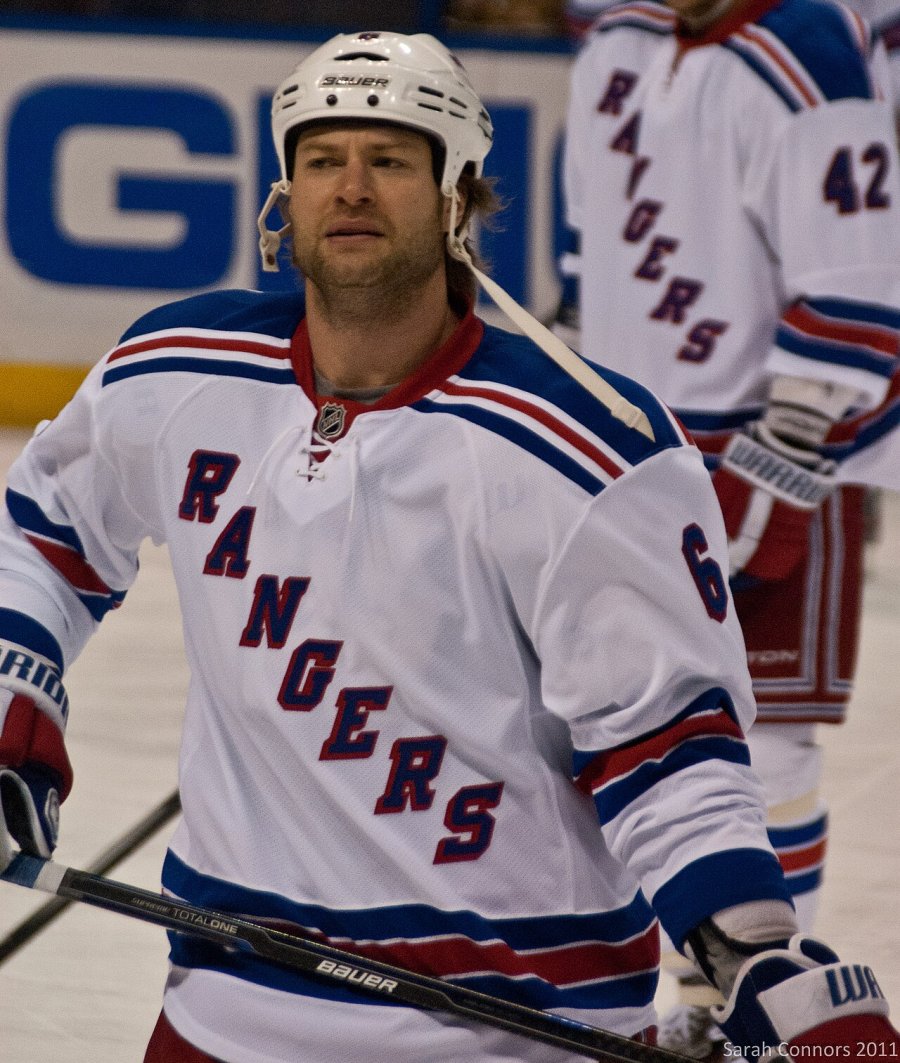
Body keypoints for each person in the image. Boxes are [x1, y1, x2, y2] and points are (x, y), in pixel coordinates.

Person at [0, 30, 897, 1063]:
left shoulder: (589, 453)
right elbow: (46, 530)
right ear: (283, 193)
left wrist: (757, 955)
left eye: (389, 159)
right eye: (322, 159)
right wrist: (13, 694)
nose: (350, 188)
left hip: (512, 1030)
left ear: (457, 197)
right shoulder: (178, 371)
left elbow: (668, 747)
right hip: (223, 1013)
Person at [559, 0, 900, 1055]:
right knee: (607, 723)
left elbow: (860, 287)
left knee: (767, 744)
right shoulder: (614, 39)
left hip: (779, 458)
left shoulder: (808, 49)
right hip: (625, 453)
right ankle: (627, 981)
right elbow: (587, 250)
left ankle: (750, 1002)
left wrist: (781, 461)